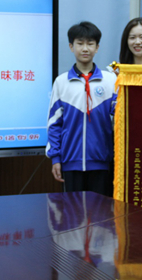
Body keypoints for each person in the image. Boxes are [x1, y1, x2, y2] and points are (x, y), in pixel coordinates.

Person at [46, 21, 117, 197]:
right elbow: (54, 124)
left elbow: (120, 119)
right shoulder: (61, 82)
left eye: (90, 43)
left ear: (97, 47)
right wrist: (56, 158)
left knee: (101, 211)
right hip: (70, 162)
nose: (85, 48)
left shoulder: (110, 81)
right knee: (73, 211)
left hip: (102, 162)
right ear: (71, 46)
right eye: (80, 43)